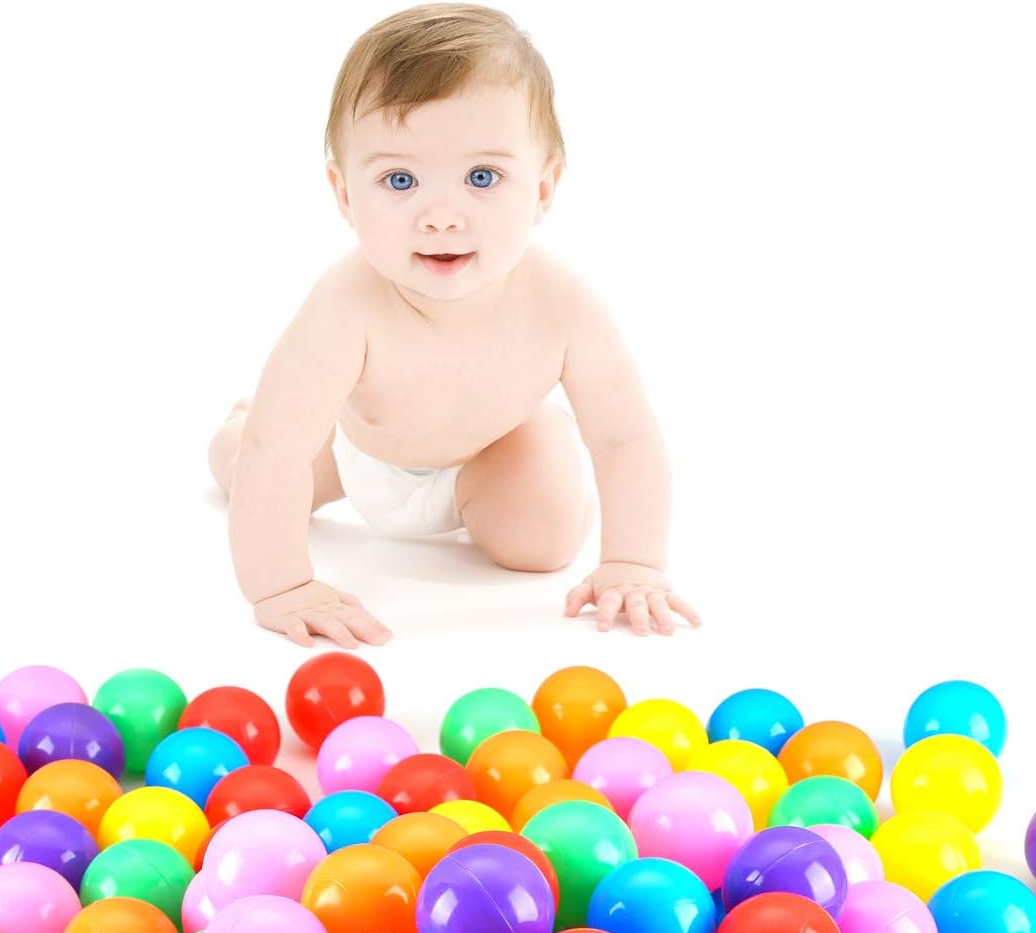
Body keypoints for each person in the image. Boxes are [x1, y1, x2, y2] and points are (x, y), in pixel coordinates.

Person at [210, 3, 700, 647]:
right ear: (345, 194)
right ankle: (245, 421)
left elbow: (625, 438)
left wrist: (634, 563)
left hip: (494, 455)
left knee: (544, 542)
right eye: (400, 179)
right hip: (362, 459)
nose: (441, 215)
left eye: (482, 177)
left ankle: (523, 464)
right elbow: (277, 450)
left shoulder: (564, 304)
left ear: (543, 188)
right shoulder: (346, 305)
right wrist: (281, 585)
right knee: (250, 457)